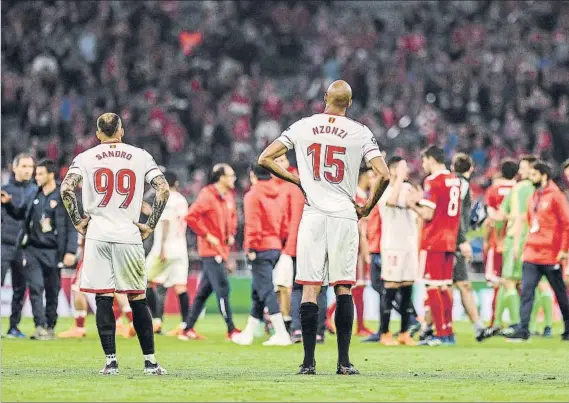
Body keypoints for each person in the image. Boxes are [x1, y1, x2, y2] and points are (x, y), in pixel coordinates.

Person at [259, 80, 390, 375]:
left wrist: (297, 181)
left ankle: (308, 363)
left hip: (314, 214)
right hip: (344, 215)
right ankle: (344, 362)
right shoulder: (360, 131)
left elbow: (265, 158)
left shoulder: (303, 126)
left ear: (325, 98)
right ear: (350, 103)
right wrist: (367, 207)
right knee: (343, 287)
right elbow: (384, 173)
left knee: (309, 288)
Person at [60, 112, 169, 375]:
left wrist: (77, 221)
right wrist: (150, 224)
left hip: (97, 234)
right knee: (137, 298)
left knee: (104, 298)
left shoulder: (84, 158)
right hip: (128, 234)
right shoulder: (140, 155)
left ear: (98, 134)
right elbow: (163, 189)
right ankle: (150, 362)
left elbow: (66, 189)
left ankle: (111, 362)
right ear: (121, 131)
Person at [1, 159, 77, 341]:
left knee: (52, 290)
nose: (36, 176)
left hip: (53, 251)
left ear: (50, 174)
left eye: (40, 173)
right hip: (32, 249)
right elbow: (20, 214)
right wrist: (8, 204)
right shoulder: (34, 194)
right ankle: (40, 325)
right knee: (36, 288)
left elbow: (71, 225)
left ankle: (50, 324)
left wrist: (70, 251)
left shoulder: (63, 196)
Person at [407, 146, 469, 346]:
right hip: (450, 240)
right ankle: (448, 332)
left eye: (424, 161)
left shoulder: (433, 181)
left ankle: (441, 334)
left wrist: (413, 204)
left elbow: (428, 214)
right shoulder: (455, 181)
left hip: (433, 240)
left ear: (432, 159)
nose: (423, 165)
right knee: (444, 286)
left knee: (433, 287)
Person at [505, 162, 569, 342]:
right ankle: (523, 330)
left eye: (534, 174)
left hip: (551, 253)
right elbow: (529, 222)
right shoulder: (533, 196)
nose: (530, 177)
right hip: (532, 252)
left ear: (544, 175)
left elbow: (566, 224)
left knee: (560, 293)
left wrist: (563, 250)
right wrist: (523, 246)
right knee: (526, 291)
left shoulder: (556, 196)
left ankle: (568, 328)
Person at [178, 164, 240, 341]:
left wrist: (232, 234)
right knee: (223, 288)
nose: (234, 178)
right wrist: (207, 235)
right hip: (210, 251)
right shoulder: (207, 195)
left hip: (222, 250)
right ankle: (231, 330)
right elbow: (190, 217)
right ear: (220, 177)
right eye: (231, 175)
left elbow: (233, 218)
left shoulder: (228, 196)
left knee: (203, 293)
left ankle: (187, 329)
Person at [232, 164, 292, 346]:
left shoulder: (253, 195)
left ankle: (281, 333)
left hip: (260, 247)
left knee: (265, 290)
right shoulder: (279, 193)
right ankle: (248, 333)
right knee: (258, 292)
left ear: (252, 175)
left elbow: (253, 223)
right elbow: (284, 222)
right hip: (275, 247)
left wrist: (250, 247)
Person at [326, 166, 375, 337]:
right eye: (370, 176)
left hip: (354, 244)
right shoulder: (357, 195)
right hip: (355, 245)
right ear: (362, 176)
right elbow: (359, 225)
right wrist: (365, 247)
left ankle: (360, 325)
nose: (372, 179)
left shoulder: (358, 194)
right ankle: (332, 316)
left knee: (357, 286)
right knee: (355, 284)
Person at [450, 153, 492, 342]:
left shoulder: (453, 183)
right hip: (455, 242)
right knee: (460, 285)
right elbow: (456, 214)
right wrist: (462, 240)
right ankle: (477, 327)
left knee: (448, 286)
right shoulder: (463, 184)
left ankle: (426, 326)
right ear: (471, 168)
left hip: (450, 240)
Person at [375, 156, 418, 346]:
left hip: (409, 243)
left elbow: (419, 201)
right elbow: (391, 202)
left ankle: (403, 333)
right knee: (391, 287)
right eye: (403, 167)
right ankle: (384, 333)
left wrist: (418, 198)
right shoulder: (383, 187)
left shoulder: (408, 188)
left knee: (408, 287)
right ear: (392, 170)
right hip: (392, 245)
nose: (406, 170)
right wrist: (399, 178)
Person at [494, 155, 537, 333]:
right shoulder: (540, 189)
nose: (520, 170)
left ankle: (515, 325)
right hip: (535, 241)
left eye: (523, 167)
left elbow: (508, 216)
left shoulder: (518, 189)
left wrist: (505, 241)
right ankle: (538, 325)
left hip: (516, 239)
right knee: (533, 285)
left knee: (509, 282)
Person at [145, 171, 190, 336]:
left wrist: (163, 246)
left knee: (145, 281)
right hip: (180, 248)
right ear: (176, 184)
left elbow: (164, 222)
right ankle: (186, 325)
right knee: (180, 287)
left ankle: (156, 320)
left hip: (164, 249)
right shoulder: (182, 200)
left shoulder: (165, 198)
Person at [1, 153, 36, 338]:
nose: (27, 170)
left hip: (24, 248)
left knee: (20, 289)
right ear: (14, 168)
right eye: (23, 166)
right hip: (3, 245)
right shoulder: (4, 190)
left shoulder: (36, 191)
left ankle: (13, 327)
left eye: (30, 166)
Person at [483, 159, 518, 328]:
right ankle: (519, 321)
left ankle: (495, 321)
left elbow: (492, 219)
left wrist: (491, 241)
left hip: (499, 244)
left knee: (498, 283)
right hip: (519, 243)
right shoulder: (522, 189)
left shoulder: (493, 190)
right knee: (518, 284)